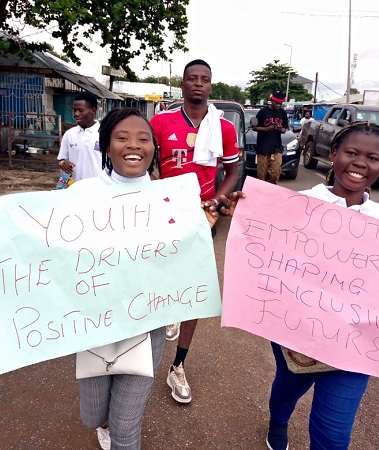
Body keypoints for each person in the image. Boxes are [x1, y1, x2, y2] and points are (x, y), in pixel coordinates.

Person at [0, 107, 222, 450]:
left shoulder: (172, 201)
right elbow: (35, 247)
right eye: (121, 138)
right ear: (106, 147)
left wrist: (201, 230)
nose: (133, 145)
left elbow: (181, 263)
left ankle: (119, 430)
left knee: (126, 429)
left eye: (143, 138)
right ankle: (102, 422)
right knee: (94, 414)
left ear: (155, 148)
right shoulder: (80, 196)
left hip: (145, 328)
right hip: (92, 328)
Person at [264, 121, 379, 450]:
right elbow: (265, 247)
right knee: (287, 388)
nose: (360, 163)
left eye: (372, 157)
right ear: (333, 154)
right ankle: (278, 421)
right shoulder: (300, 203)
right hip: (299, 330)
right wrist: (244, 209)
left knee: (334, 434)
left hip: (353, 341)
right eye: (351, 152)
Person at [150, 58, 239, 404]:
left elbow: (232, 172)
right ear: (182, 84)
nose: (198, 84)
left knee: (196, 292)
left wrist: (216, 202)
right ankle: (142, 352)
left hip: (203, 217)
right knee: (158, 279)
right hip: (164, 215)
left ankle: (178, 367)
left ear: (211, 86)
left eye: (205, 79)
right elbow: (144, 162)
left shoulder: (224, 128)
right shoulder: (160, 122)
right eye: (192, 78)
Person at [57, 91, 101, 182]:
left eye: (80, 110)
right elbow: (62, 159)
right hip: (76, 189)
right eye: (74, 110)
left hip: (100, 190)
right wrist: (63, 163)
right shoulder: (69, 134)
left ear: (93, 111)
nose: (76, 114)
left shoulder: (104, 133)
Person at [252, 91, 288, 184]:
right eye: (277, 103)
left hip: (277, 147)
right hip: (263, 147)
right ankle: (261, 193)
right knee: (261, 176)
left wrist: (279, 129)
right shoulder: (263, 112)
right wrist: (266, 129)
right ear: (272, 101)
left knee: (275, 174)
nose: (279, 105)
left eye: (281, 104)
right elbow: (254, 127)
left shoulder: (283, 113)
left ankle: (271, 190)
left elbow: (284, 130)